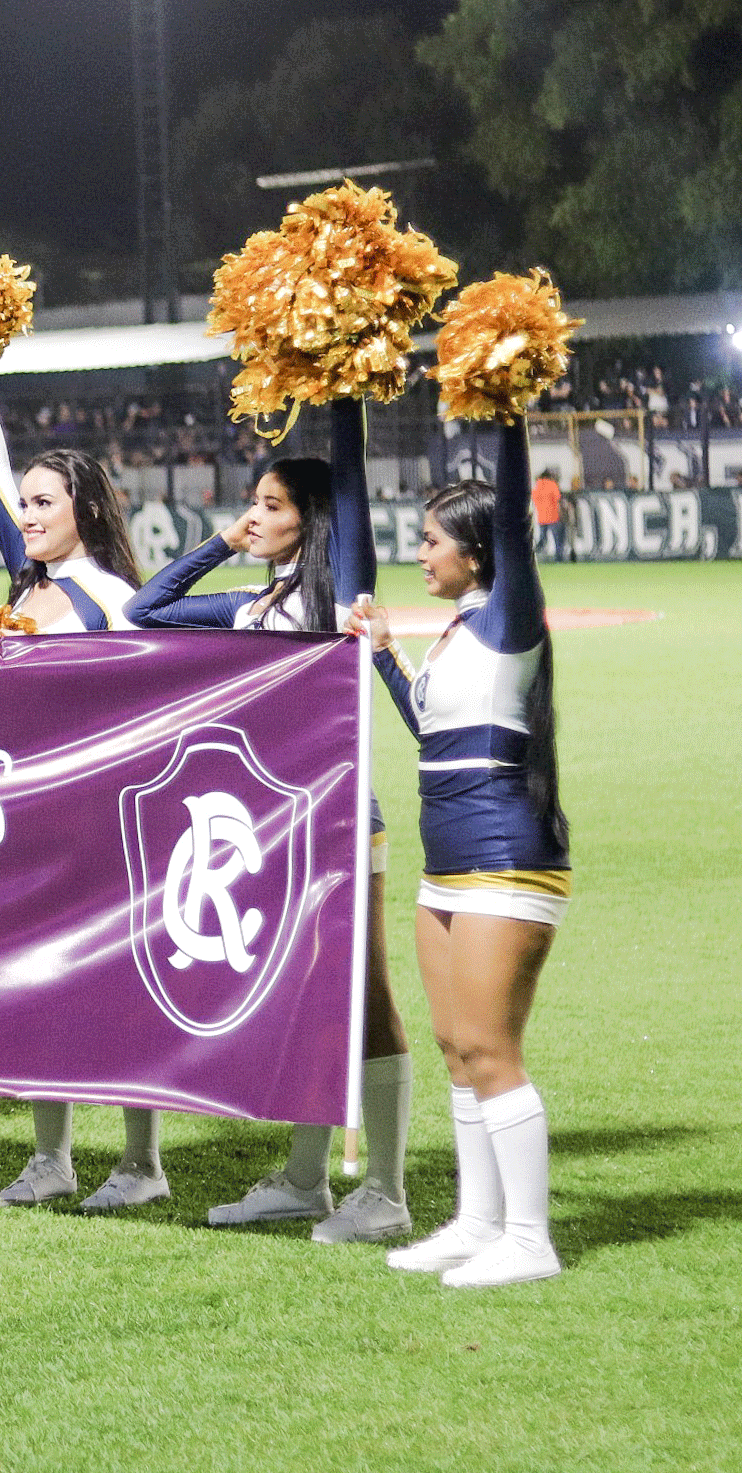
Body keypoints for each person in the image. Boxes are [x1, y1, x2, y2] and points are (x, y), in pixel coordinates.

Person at [126, 403, 415, 1244]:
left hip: (341, 819)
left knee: (366, 996)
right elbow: (147, 611)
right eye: (254, 501)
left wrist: (340, 385)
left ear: (315, 519)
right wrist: (225, 540)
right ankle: (303, 1180)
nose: (258, 515)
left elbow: (351, 488)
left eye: (274, 505)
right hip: (272, 827)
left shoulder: (339, 595)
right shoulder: (252, 606)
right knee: (305, 998)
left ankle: (388, 1189)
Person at [354, 418, 571, 1288]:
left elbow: (515, 516)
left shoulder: (510, 617)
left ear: (478, 552)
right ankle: (478, 1222)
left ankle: (530, 1236)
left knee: (490, 1046)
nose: (419, 553)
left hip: (505, 859)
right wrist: (386, 657)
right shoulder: (456, 631)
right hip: (446, 865)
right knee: (453, 1044)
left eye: (431, 539)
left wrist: (507, 413)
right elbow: (432, 732)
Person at [0, 362, 158, 1212]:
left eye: (45, 503)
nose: (28, 515)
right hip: (32, 818)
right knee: (40, 986)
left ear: (85, 508)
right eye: (26, 503)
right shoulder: (28, 583)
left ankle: (143, 1161)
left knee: (119, 990)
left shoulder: (112, 596)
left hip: (103, 819)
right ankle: (53, 1158)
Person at [532, 467, 565, 562]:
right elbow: (558, 498)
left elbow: (534, 499)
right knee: (557, 540)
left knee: (542, 539)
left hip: (541, 517)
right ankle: (559, 559)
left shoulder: (537, 486)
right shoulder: (552, 484)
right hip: (553, 516)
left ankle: (533, 556)